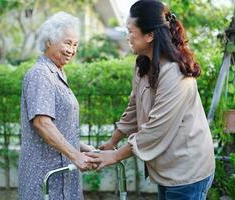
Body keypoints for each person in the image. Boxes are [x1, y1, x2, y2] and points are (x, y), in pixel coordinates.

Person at [86, 1, 215, 199]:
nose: (127, 36)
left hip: (187, 171)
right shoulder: (143, 65)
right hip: (166, 168)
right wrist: (112, 142)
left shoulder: (175, 73)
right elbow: (134, 108)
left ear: (149, 35)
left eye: (130, 31)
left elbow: (155, 129)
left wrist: (115, 156)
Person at [18, 12, 96, 200]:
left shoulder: (56, 74)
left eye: (75, 45)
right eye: (67, 43)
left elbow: (59, 128)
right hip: (44, 175)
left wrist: (84, 148)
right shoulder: (41, 75)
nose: (71, 50)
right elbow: (42, 124)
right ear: (49, 41)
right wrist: (76, 156)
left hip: (62, 173)